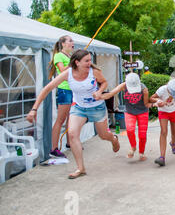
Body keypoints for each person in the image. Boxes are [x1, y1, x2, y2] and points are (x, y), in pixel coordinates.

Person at [27, 49, 120, 179]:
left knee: (103, 135)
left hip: (96, 107)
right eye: (86, 61)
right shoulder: (68, 73)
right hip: (78, 107)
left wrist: (99, 92)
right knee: (72, 134)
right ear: (77, 62)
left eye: (90, 60)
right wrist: (34, 109)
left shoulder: (94, 72)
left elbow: (104, 82)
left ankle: (113, 139)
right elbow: (47, 89)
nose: (89, 63)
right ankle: (81, 168)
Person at [100, 73, 155, 161]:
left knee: (142, 135)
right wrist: (100, 96)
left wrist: (154, 104)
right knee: (129, 129)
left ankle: (141, 153)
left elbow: (146, 104)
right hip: (130, 111)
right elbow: (111, 94)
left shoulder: (144, 89)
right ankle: (133, 147)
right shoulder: (124, 86)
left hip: (142, 111)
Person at [48, 35, 74, 157]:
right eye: (70, 40)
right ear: (63, 44)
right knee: (60, 120)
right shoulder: (58, 55)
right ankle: (54, 148)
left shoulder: (69, 56)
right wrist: (73, 63)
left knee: (71, 118)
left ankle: (69, 143)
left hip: (72, 89)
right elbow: (62, 70)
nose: (72, 42)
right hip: (64, 90)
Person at [151, 79, 175, 166]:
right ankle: (162, 157)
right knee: (163, 132)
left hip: (173, 111)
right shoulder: (162, 89)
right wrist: (159, 102)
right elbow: (152, 98)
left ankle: (172, 143)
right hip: (163, 112)